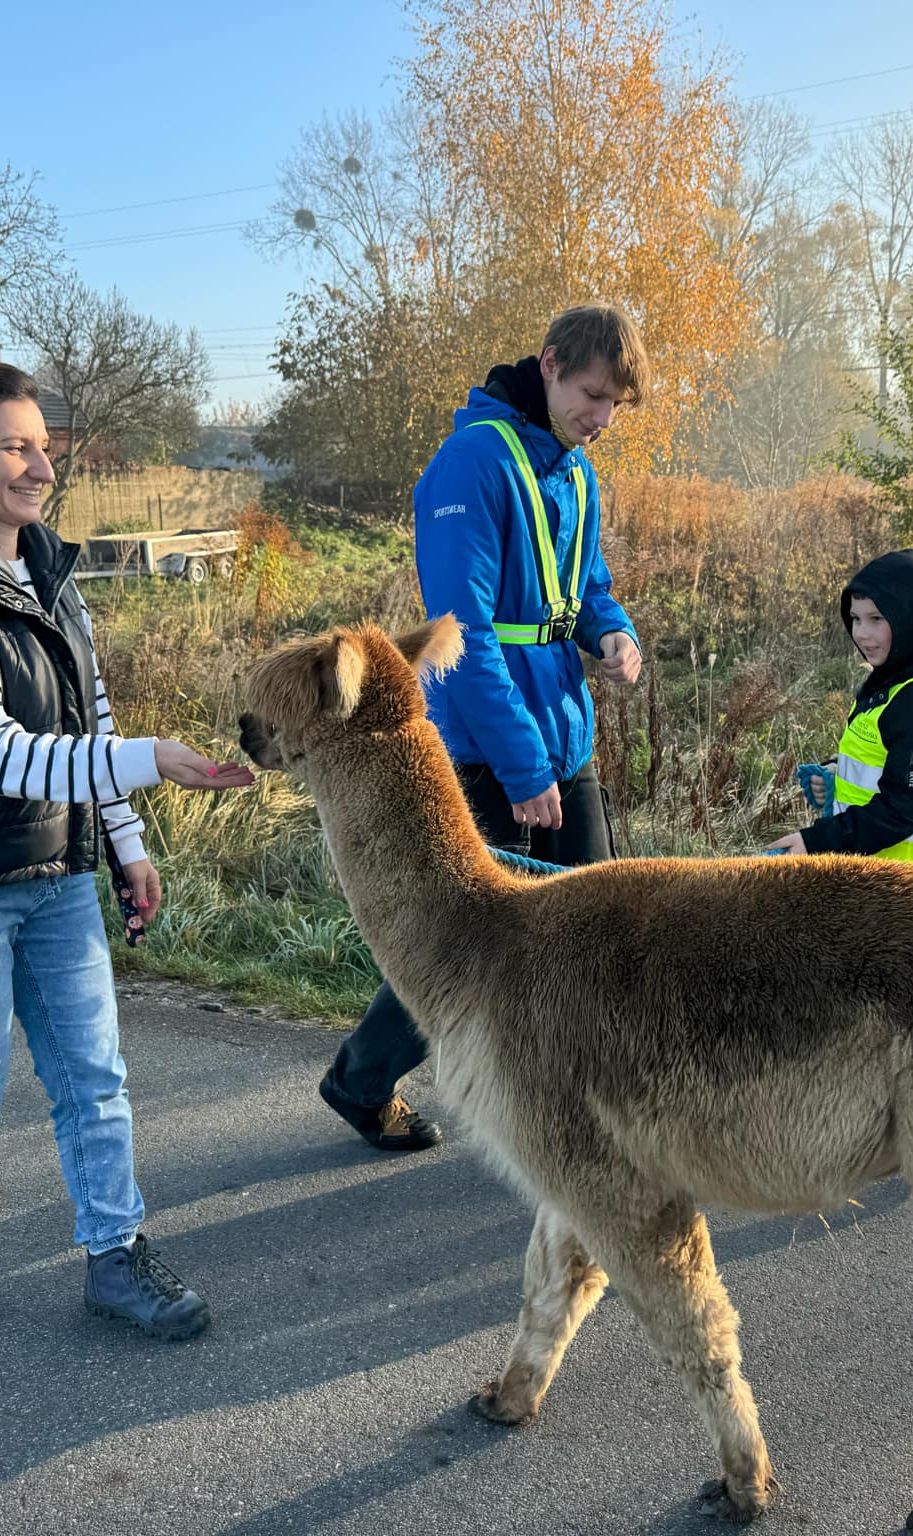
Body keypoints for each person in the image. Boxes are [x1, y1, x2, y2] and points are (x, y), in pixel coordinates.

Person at [0, 362, 254, 1341]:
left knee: (94, 1080)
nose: (41, 466)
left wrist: (125, 842)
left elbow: (88, 710)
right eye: (16, 447)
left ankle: (116, 1257)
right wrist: (150, 763)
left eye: (43, 444)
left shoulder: (43, 567)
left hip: (57, 877)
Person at [317, 305, 649, 1151]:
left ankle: (580, 1106)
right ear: (548, 364)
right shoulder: (470, 465)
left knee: (596, 930)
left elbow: (588, 585)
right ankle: (360, 1081)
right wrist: (523, 766)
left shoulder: (573, 468)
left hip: (561, 735)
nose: (602, 418)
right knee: (462, 949)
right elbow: (461, 633)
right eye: (591, 395)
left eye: (615, 404)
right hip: (491, 747)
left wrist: (613, 634)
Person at [767, 549, 913, 862]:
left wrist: (817, 842)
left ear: (912, 615)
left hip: (905, 885)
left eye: (877, 618)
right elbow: (894, 753)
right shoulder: (905, 665)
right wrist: (837, 773)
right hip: (873, 875)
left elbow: (905, 807)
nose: (861, 634)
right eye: (856, 618)